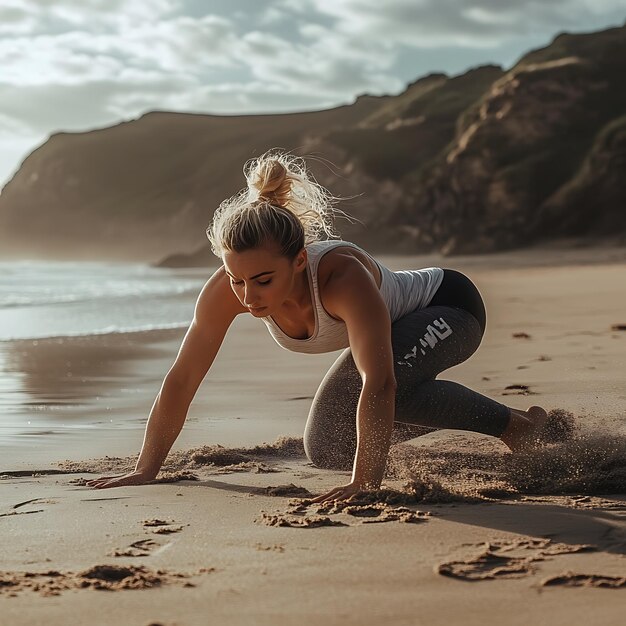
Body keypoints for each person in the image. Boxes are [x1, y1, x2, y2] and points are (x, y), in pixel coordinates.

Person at [87, 150, 548, 501]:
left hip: (450, 308)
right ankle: (513, 423)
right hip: (397, 331)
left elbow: (380, 380)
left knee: (393, 391)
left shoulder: (341, 279)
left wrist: (365, 483)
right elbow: (182, 378)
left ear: (300, 260)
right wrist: (148, 467)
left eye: (263, 280)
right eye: (237, 279)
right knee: (327, 446)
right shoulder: (228, 289)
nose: (248, 296)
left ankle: (514, 428)